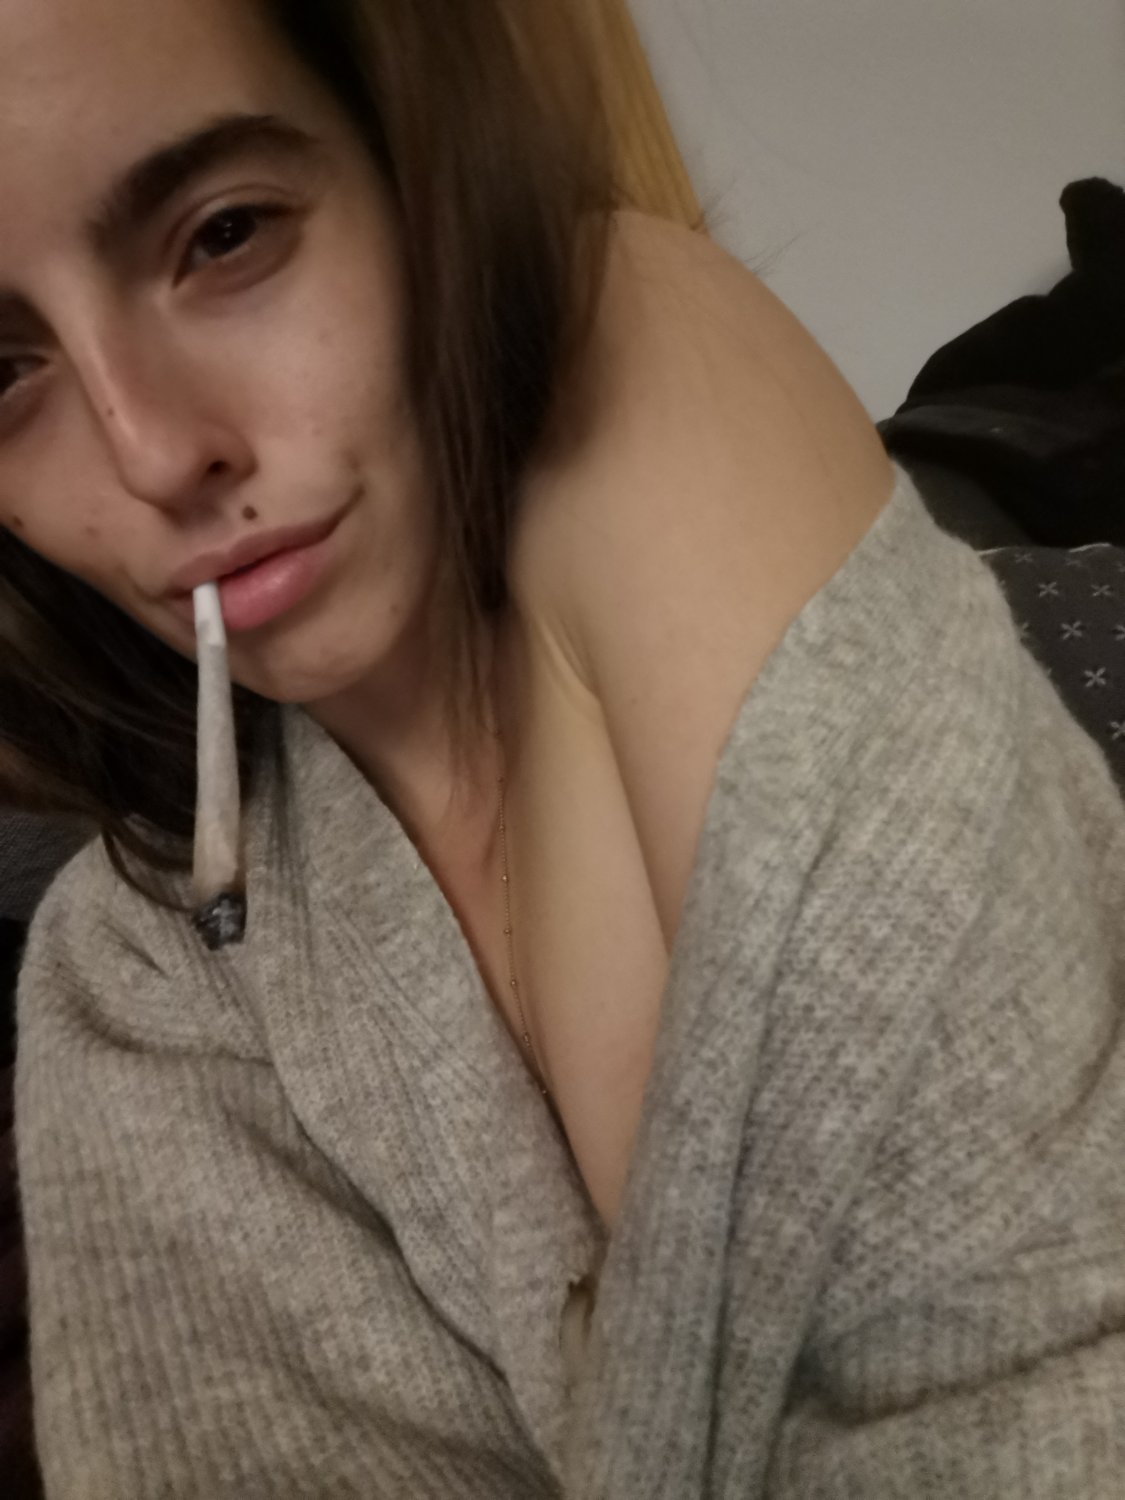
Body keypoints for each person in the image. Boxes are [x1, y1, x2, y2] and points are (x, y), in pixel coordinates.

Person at [5, 0, 1125, 1495]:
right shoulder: (128, 984)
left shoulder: (640, 345)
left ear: (410, 161)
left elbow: (1030, 1353)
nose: (155, 456)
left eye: (224, 236)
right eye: (1, 370)